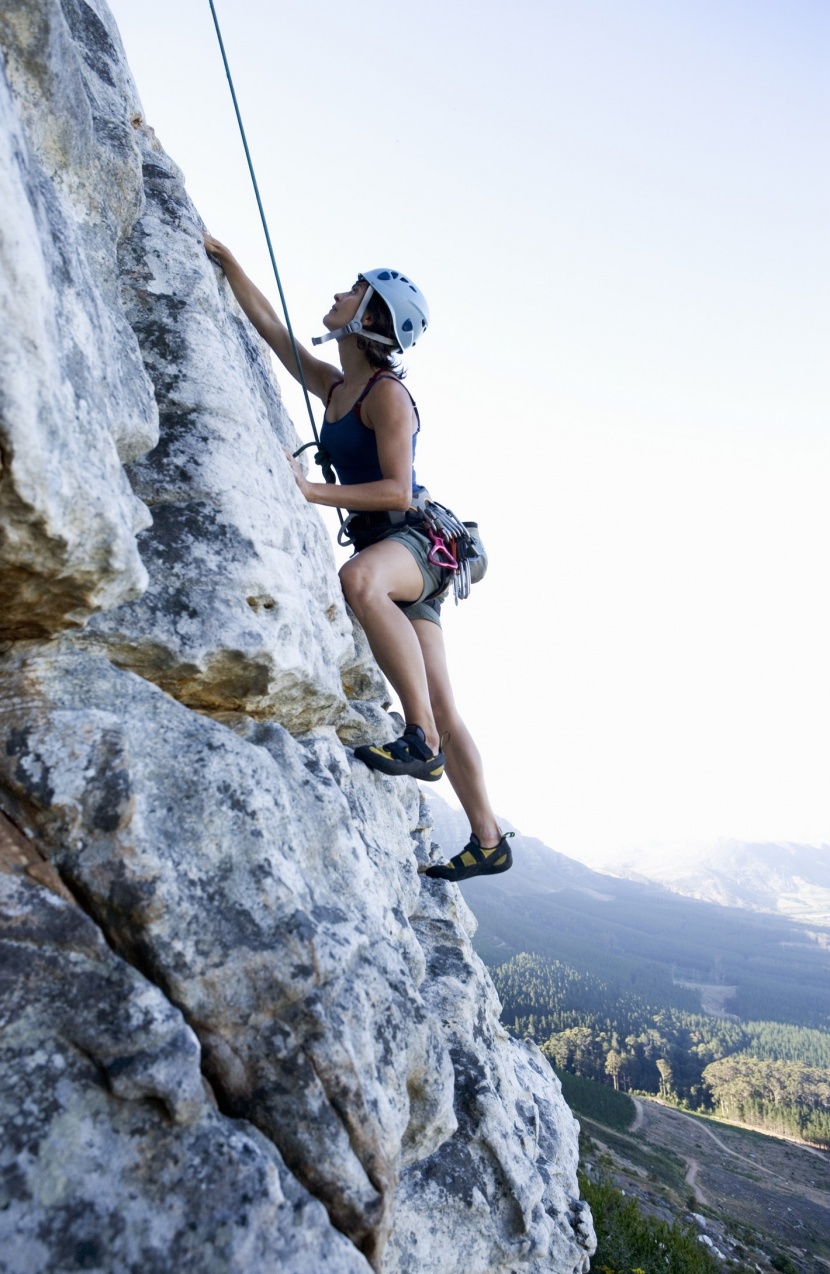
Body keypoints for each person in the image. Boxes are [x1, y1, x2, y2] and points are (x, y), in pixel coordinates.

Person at [203, 237, 512, 881]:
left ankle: (418, 741)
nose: (338, 295)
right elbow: (271, 330)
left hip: (413, 546)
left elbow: (398, 490)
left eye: (352, 291)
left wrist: (309, 490)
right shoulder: (338, 385)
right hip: (407, 555)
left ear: (369, 316)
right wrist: (228, 261)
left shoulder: (386, 395)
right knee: (448, 706)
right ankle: (489, 840)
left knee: (359, 581)